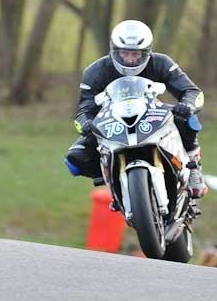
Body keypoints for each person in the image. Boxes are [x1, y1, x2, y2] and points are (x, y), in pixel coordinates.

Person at [64, 20, 208, 202]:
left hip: (153, 114)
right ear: (114, 50)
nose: (130, 59)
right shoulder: (94, 71)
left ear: (147, 52)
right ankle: (113, 182)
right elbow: (84, 110)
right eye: (124, 53)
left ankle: (194, 167)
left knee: (188, 119)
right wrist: (85, 124)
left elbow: (193, 92)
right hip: (113, 121)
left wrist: (187, 104)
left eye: (136, 54)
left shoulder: (162, 63)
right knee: (75, 158)